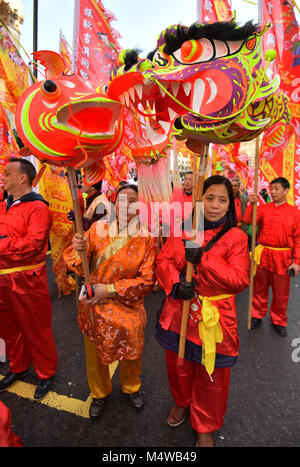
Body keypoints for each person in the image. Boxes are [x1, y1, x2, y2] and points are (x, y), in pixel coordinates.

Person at [155, 175, 250, 447]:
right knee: (178, 365)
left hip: (216, 318)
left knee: (213, 376)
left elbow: (238, 280)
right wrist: (175, 285)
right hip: (179, 312)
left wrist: (203, 260)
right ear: (200, 199)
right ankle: (181, 403)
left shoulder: (237, 237)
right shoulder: (184, 228)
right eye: (210, 197)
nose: (215, 205)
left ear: (230, 204)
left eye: (222, 199)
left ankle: (205, 424)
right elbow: (164, 259)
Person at [63, 184, 156, 420]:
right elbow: (75, 262)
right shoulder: (96, 229)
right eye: (121, 199)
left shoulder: (145, 237)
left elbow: (147, 281)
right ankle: (99, 393)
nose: (126, 204)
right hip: (95, 302)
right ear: (114, 204)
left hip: (128, 304)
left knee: (131, 353)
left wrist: (112, 290)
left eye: (133, 199)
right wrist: (78, 250)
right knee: (94, 354)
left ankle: (131, 387)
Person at [0, 158, 57, 400]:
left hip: (28, 280)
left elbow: (33, 246)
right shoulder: (5, 205)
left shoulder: (38, 208)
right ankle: (18, 366)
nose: (2, 177)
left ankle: (46, 372)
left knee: (36, 328)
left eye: (6, 173)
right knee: (8, 328)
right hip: (2, 281)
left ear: (22, 177)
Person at [243, 177, 300, 336]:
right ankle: (256, 314)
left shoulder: (295, 213)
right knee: (259, 288)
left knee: (281, 293)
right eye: (271, 188)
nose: (273, 192)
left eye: (276, 188)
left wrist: (297, 262)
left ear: (286, 191)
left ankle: (278, 320)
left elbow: (298, 239)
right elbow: (248, 220)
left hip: (283, 258)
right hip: (263, 255)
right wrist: (252, 203)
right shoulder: (264, 208)